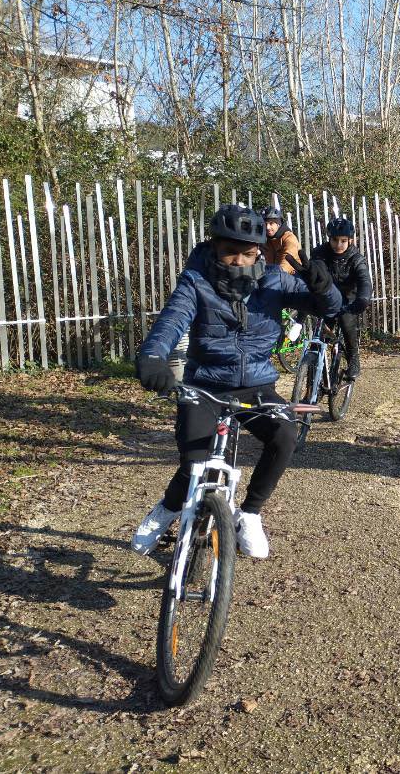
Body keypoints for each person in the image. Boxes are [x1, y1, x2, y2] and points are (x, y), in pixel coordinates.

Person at [131, 204, 341, 559]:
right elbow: (171, 322)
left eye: (248, 252)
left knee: (286, 434)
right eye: (230, 252)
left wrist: (324, 289)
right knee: (193, 463)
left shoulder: (274, 279)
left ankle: (251, 514)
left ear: (259, 250)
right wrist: (152, 357)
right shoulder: (195, 282)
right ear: (214, 248)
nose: (239, 260)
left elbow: (332, 308)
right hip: (205, 387)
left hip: (256, 385)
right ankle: (166, 510)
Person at [310, 216, 373, 380]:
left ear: (350, 240)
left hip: (348, 300)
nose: (339, 245)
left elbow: (364, 280)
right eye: (335, 240)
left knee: (346, 322)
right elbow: (313, 274)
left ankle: (353, 358)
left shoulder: (356, 259)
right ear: (329, 239)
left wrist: (363, 298)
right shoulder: (319, 254)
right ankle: (313, 375)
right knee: (319, 334)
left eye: (343, 241)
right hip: (326, 299)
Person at [262, 204, 301, 275]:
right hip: (272, 276)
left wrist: (273, 277)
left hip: (293, 277)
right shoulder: (265, 239)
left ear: (278, 224)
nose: (267, 227)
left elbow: (286, 264)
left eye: (271, 223)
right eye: (265, 224)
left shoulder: (289, 238)